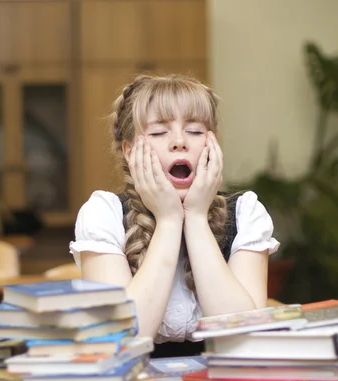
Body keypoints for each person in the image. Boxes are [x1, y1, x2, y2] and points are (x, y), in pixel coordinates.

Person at [69, 74, 280, 357]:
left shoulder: (246, 212)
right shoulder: (103, 213)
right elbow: (122, 338)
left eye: (195, 131)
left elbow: (242, 336)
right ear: (130, 151)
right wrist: (168, 220)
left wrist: (195, 217)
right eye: (158, 133)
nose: (180, 141)